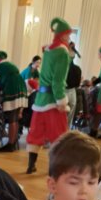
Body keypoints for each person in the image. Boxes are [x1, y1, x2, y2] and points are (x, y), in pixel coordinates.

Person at [26, 17, 72, 174]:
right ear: (63, 34)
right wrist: (61, 100)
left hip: (40, 100)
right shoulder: (62, 52)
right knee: (58, 136)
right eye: (68, 34)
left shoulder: (48, 50)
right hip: (53, 100)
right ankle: (56, 168)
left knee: (36, 133)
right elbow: (58, 80)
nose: (69, 38)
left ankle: (31, 165)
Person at [0, 51, 27, 152]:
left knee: (12, 119)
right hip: (21, 88)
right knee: (15, 119)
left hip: (12, 89)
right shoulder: (11, 65)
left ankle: (10, 144)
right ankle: (13, 142)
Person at [65, 42, 82, 128]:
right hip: (72, 91)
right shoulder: (77, 69)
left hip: (64, 90)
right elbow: (77, 84)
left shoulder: (63, 68)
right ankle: (66, 129)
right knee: (70, 114)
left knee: (63, 113)